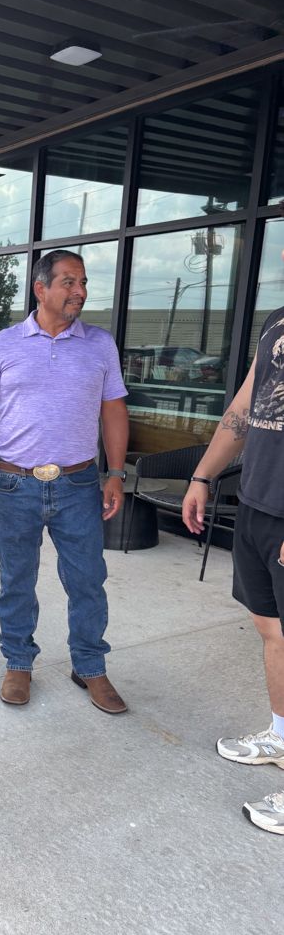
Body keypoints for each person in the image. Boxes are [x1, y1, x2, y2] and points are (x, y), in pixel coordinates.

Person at [0, 250, 129, 714]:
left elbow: (113, 410)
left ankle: (91, 667)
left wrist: (115, 474)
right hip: (15, 486)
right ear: (41, 288)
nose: (80, 292)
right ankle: (18, 662)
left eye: (83, 282)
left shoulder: (100, 345)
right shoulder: (3, 345)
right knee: (16, 580)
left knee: (88, 581)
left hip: (79, 485)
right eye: (69, 282)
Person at [182, 304, 284, 836]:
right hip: (258, 505)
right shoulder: (277, 322)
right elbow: (243, 410)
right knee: (272, 631)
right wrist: (203, 475)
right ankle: (281, 736)